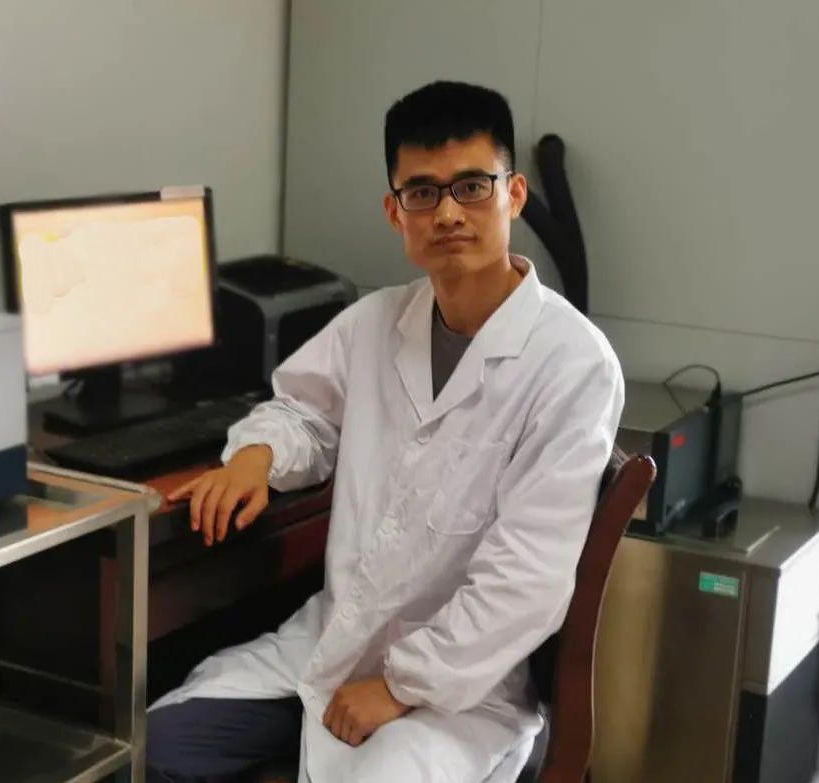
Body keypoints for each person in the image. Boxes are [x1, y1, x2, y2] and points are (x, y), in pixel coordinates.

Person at [146, 80, 624, 783]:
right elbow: (301, 410)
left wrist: (402, 686)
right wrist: (256, 457)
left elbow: (528, 580)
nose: (448, 213)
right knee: (149, 752)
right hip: (330, 646)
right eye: (423, 192)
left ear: (515, 195)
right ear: (395, 212)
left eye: (472, 187)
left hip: (460, 692)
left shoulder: (573, 364)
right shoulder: (375, 322)